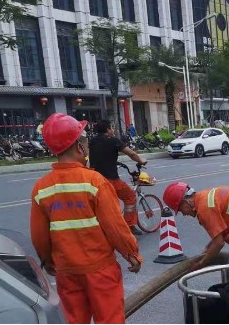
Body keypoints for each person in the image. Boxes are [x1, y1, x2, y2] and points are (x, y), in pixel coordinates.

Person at [30, 113, 143, 324]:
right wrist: (131, 253)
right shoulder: (94, 181)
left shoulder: (41, 188)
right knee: (109, 319)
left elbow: (39, 235)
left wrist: (47, 260)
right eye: (84, 141)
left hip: (67, 271)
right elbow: (114, 226)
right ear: (78, 146)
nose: (87, 146)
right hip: (100, 269)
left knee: (76, 321)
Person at [89, 120, 147, 235]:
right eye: (111, 128)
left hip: (94, 179)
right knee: (130, 197)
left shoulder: (92, 141)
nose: (113, 130)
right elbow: (131, 154)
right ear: (107, 130)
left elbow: (101, 155)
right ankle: (129, 225)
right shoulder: (114, 141)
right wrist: (141, 160)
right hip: (110, 180)